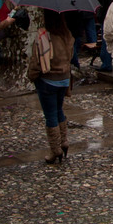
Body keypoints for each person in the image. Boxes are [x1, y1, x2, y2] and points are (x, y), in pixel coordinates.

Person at [26, 10, 74, 165]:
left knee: (51, 115)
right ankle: (64, 141)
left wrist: (32, 76)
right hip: (64, 80)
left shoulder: (43, 37)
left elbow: (36, 62)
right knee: (59, 109)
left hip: (48, 81)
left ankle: (55, 150)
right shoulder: (67, 36)